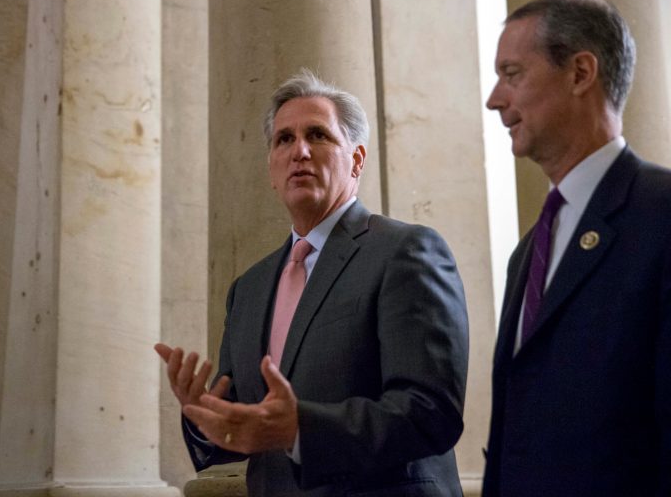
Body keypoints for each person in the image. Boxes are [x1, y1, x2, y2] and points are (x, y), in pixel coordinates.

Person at [155, 69, 469, 496]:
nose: (299, 151)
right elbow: (244, 429)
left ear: (356, 159)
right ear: (271, 169)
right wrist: (203, 415)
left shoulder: (405, 252)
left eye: (318, 135)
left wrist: (299, 429)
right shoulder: (249, 288)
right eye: (284, 139)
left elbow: (430, 412)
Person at [483, 0, 671, 497]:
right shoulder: (529, 251)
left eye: (511, 73)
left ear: (580, 73)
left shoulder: (661, 215)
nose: (495, 99)